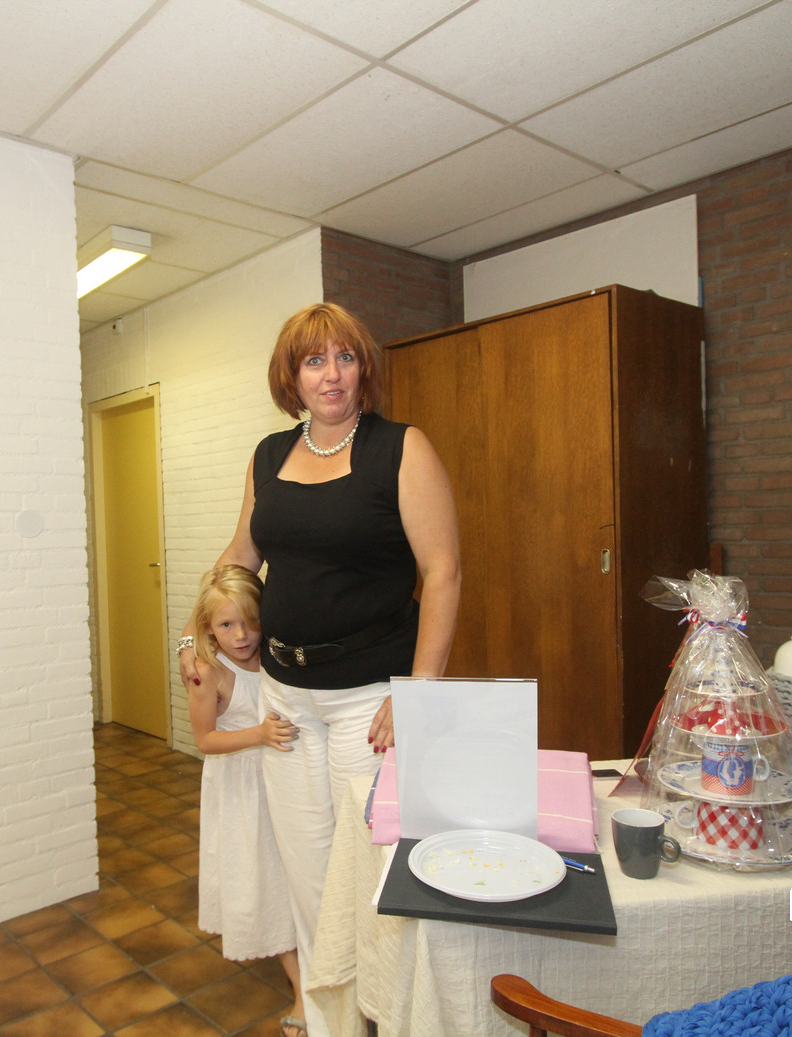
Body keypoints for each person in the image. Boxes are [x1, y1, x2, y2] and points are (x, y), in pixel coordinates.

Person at [177, 302, 461, 1037]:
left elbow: (443, 572)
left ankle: (390, 1016)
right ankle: (333, 1022)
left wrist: (418, 693)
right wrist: (192, 636)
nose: (330, 374)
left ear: (363, 368)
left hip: (369, 701)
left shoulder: (400, 449)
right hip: (285, 698)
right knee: (306, 873)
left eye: (344, 357)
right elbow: (241, 556)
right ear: (292, 377)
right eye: (313, 361)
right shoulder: (268, 456)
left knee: (367, 873)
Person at [186, 565, 304, 1033]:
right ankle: (302, 991)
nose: (241, 636)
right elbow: (205, 740)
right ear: (207, 627)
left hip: (284, 780)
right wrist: (258, 734)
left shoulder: (275, 658)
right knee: (267, 882)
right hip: (242, 790)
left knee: (298, 877)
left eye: (251, 622)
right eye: (226, 624)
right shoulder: (208, 672)